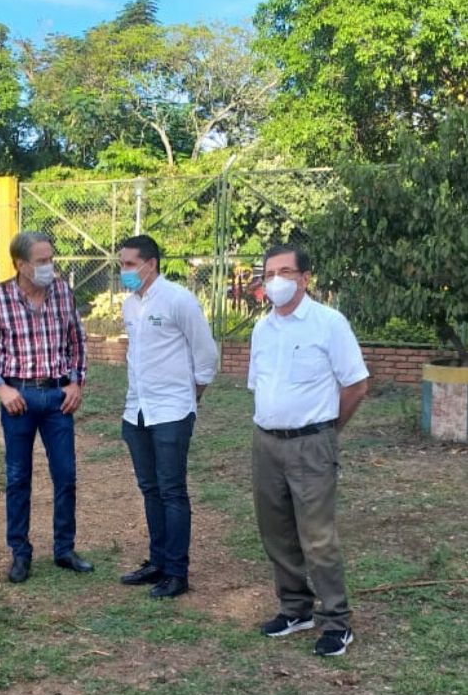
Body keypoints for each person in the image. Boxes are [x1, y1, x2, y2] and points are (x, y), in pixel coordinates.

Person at [248, 244, 369, 657]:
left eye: (285, 272)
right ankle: (295, 608)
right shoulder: (262, 329)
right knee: (276, 532)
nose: (276, 280)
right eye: (270, 273)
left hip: (311, 444)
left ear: (304, 278)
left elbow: (356, 384)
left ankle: (336, 621)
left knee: (317, 539)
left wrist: (327, 432)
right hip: (266, 443)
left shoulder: (328, 324)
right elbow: (258, 386)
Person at [0, 230, 92, 584]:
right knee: (18, 478)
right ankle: (20, 552)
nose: (49, 266)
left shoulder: (63, 292)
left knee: (66, 475)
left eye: (51, 258)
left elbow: (77, 341)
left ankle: (64, 548)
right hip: (18, 399)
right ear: (21, 265)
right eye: (41, 261)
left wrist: (76, 382)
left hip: (56, 399)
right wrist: (0, 387)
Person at [118, 234, 218, 599]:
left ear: (151, 264)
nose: (124, 271)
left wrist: (191, 398)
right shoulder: (131, 305)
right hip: (137, 411)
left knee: (172, 490)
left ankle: (177, 572)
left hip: (172, 411)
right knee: (150, 489)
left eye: (129, 264)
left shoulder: (179, 300)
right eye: (122, 264)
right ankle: (157, 561)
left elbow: (205, 354)